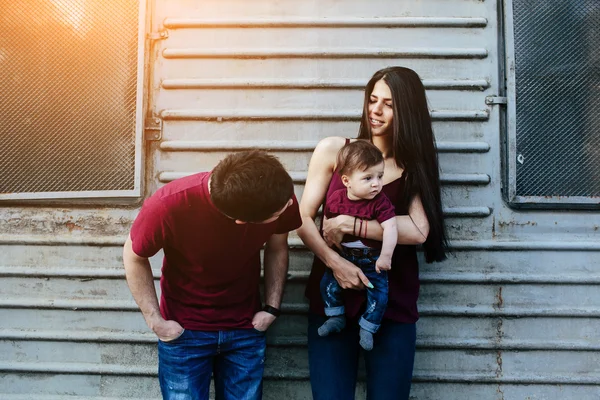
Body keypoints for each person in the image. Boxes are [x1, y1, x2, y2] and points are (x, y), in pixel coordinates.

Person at [297, 66, 447, 400]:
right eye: (372, 99)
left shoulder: (414, 165)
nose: (375, 110)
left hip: (391, 302)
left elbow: (419, 230)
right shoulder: (334, 151)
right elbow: (302, 219)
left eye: (388, 104)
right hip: (332, 297)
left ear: (406, 110)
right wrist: (335, 263)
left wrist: (353, 225)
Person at [123, 150, 302, 400]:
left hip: (245, 329)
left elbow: (277, 247)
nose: (292, 205)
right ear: (242, 221)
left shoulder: (276, 195)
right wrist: (156, 321)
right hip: (185, 332)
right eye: (279, 212)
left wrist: (271, 308)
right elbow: (134, 256)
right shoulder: (168, 205)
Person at [317, 140, 398, 352]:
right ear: (347, 181)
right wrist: (329, 247)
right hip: (344, 256)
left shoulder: (380, 202)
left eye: (380, 176)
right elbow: (327, 224)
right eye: (368, 178)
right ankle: (335, 317)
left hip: (372, 259)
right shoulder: (336, 199)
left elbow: (391, 228)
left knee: (379, 294)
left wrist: (386, 256)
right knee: (327, 285)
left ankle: (368, 327)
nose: (376, 184)